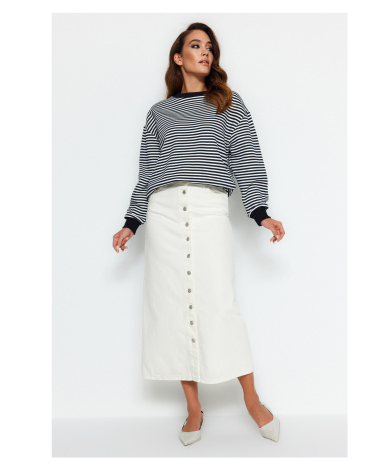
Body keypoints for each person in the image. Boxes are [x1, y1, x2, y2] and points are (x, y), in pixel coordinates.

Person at [112, 22, 285, 446]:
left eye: (210, 47)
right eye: (195, 45)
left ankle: (252, 400)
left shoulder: (228, 103)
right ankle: (193, 408)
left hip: (209, 209)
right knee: (172, 309)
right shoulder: (159, 113)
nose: (205, 52)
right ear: (179, 57)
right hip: (164, 213)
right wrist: (131, 222)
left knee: (220, 305)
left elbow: (247, 157)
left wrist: (260, 212)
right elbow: (147, 172)